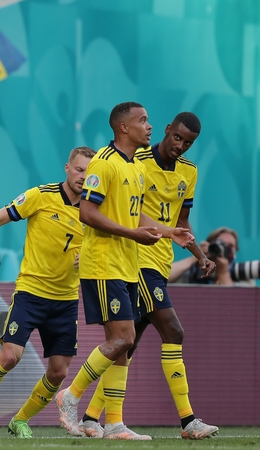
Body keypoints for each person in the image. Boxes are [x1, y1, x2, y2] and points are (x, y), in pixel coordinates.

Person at [54, 102, 194, 440]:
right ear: (123, 128)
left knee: (120, 347)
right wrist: (132, 234)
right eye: (143, 120)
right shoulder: (104, 162)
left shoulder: (136, 166)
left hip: (127, 265)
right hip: (104, 264)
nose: (149, 126)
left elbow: (134, 215)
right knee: (123, 339)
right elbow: (87, 212)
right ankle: (70, 395)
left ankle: (113, 423)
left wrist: (168, 231)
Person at [77, 112, 219, 440]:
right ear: (168, 130)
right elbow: (112, 210)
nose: (180, 146)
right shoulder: (135, 160)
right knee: (173, 331)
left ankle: (91, 417)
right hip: (137, 260)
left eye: (188, 143)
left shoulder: (189, 172)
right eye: (177, 137)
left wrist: (200, 255)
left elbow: (181, 222)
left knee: (126, 346)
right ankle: (188, 421)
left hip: (161, 262)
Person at [0, 146, 94, 439]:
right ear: (67, 168)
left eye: (89, 174)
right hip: (31, 293)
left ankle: (20, 420)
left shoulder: (94, 211)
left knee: (59, 372)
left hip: (66, 300)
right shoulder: (41, 195)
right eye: (79, 170)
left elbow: (105, 245)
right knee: (10, 356)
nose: (83, 177)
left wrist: (90, 256)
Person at [170, 227, 258, 286]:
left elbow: (235, 304)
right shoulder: (194, 271)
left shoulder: (244, 273)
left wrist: (223, 273)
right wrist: (199, 256)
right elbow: (166, 276)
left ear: (235, 250)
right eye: (220, 244)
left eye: (230, 246)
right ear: (209, 246)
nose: (224, 249)